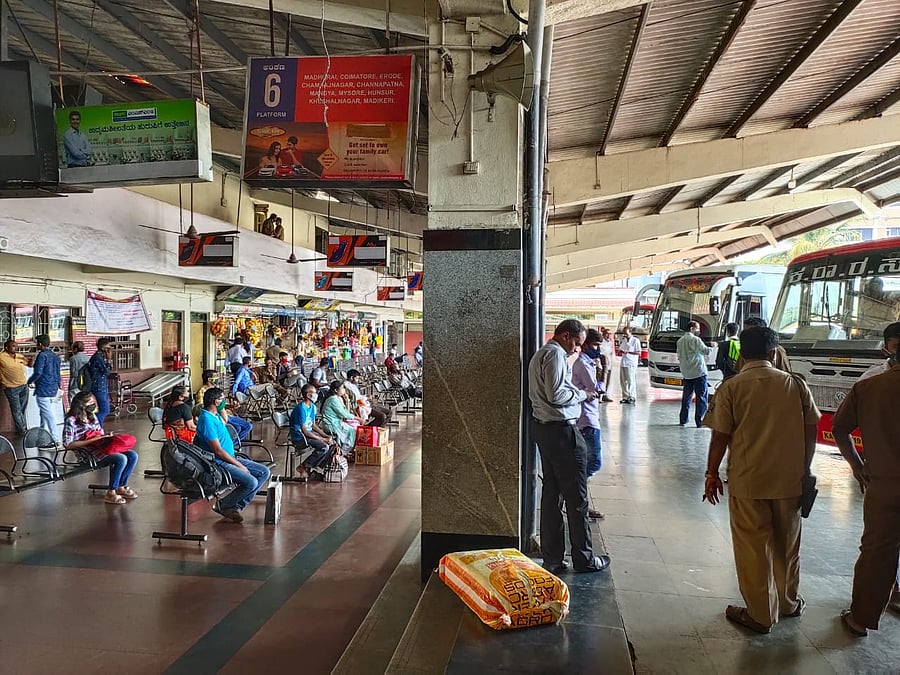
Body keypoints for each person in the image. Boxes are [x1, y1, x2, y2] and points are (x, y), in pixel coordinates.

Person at [702, 326, 820, 634]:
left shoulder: (731, 387)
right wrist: (804, 469)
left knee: (754, 549)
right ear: (772, 353)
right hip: (789, 481)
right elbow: (811, 432)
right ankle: (788, 603)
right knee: (787, 546)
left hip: (748, 481)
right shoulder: (795, 385)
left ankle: (760, 615)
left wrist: (711, 474)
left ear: (741, 352)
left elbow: (720, 436)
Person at [527, 318, 610, 575]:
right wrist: (582, 394)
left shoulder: (542, 354)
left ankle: (553, 558)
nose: (577, 348)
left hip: (544, 429)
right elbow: (557, 395)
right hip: (561, 431)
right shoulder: (555, 356)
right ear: (564, 335)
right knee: (577, 499)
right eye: (576, 342)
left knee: (553, 495)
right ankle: (584, 558)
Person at [831, 330, 900, 637]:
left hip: (884, 484)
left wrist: (857, 468)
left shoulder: (869, 387)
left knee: (877, 552)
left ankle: (861, 618)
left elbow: (839, 429)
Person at [194, 388, 270, 523]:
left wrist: (223, 407)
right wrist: (239, 465)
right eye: (222, 400)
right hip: (218, 462)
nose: (224, 402)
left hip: (230, 457)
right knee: (251, 482)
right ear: (215, 402)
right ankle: (224, 505)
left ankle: (233, 506)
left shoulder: (215, 415)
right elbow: (217, 450)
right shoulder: (207, 420)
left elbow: (225, 420)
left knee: (264, 472)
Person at [63, 391, 138, 505]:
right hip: (88, 455)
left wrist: (107, 437)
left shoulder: (92, 416)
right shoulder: (71, 421)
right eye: (90, 402)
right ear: (82, 405)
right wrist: (91, 440)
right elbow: (68, 444)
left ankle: (121, 486)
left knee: (133, 455)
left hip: (101, 448)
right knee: (120, 458)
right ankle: (111, 492)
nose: (94, 404)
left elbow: (100, 433)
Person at [570, 328, 606, 519]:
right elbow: (597, 390)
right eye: (594, 345)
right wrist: (604, 372)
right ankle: (573, 493)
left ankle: (578, 498)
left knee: (586, 463)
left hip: (589, 417)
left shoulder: (587, 362)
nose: (597, 350)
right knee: (594, 462)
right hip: (587, 419)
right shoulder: (583, 365)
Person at [289, 384, 335, 481]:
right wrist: (322, 439)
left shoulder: (312, 407)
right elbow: (305, 431)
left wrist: (326, 435)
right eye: (314, 393)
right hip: (300, 437)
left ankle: (312, 468)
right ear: (308, 395)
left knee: (332, 444)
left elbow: (313, 426)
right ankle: (304, 466)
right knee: (324, 447)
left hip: (309, 434)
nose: (316, 394)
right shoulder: (301, 409)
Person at [194, 369, 253, 442]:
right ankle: (232, 444)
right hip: (219, 416)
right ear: (209, 379)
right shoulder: (201, 391)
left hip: (227, 413)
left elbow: (221, 404)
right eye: (216, 376)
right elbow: (202, 407)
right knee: (247, 426)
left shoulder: (215, 388)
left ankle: (232, 443)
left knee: (238, 428)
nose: (217, 378)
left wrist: (231, 406)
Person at [676, 321, 714, 428]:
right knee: (701, 397)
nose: (699, 331)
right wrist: (712, 346)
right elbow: (705, 351)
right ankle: (700, 420)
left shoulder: (680, 341)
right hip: (698, 372)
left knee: (686, 397)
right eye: (697, 329)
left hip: (686, 373)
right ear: (692, 329)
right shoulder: (695, 340)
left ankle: (683, 419)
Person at [28, 334, 62, 444]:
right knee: (44, 414)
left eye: (37, 343)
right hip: (53, 388)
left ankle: (56, 439)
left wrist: (30, 381)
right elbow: (58, 373)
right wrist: (58, 386)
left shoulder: (42, 356)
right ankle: (42, 437)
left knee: (48, 414)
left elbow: (38, 372)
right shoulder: (55, 356)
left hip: (43, 388)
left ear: (40, 344)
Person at [321, 381, 360, 454]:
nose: (344, 390)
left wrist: (347, 401)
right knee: (352, 431)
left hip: (338, 422)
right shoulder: (333, 399)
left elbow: (346, 413)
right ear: (336, 390)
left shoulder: (339, 399)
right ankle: (343, 452)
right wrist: (358, 418)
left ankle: (347, 450)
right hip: (331, 424)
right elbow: (344, 414)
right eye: (342, 388)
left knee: (355, 427)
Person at [0, 339, 29, 436]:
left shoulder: (19, 356)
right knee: (16, 410)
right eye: (13, 346)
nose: (15, 347)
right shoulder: (1, 357)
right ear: (6, 348)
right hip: (11, 388)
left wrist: (31, 360)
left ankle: (22, 427)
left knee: (22, 408)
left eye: (16, 346)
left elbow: (28, 364)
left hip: (23, 386)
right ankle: (22, 430)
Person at [87, 337, 113, 425]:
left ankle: (97, 426)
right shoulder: (97, 357)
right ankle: (96, 426)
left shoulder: (101, 357)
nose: (110, 351)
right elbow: (106, 372)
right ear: (103, 348)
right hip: (98, 387)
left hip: (102, 387)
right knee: (105, 409)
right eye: (108, 348)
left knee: (104, 409)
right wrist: (109, 359)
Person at [618, 326, 641, 404]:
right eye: (624, 333)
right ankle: (625, 396)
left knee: (631, 380)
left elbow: (638, 352)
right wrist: (621, 351)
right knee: (623, 381)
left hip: (631, 363)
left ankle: (632, 396)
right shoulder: (624, 340)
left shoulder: (635, 340)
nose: (625, 334)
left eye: (626, 333)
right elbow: (620, 349)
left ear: (630, 332)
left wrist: (628, 352)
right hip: (623, 362)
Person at [598, 328, 614, 402]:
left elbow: (611, 353)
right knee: (601, 380)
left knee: (608, 380)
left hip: (609, 364)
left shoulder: (609, 342)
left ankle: (605, 395)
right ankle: (599, 396)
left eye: (610, 334)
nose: (608, 335)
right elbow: (601, 353)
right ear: (603, 334)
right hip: (602, 365)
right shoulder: (601, 342)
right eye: (607, 333)